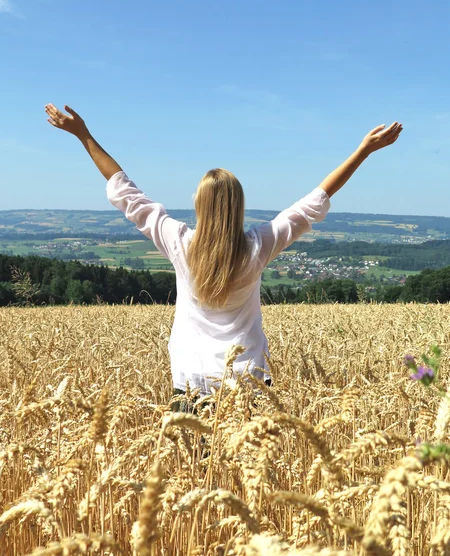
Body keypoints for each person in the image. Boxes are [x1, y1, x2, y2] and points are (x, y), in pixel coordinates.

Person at [44, 103, 402, 395]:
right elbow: (314, 202)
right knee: (249, 479)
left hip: (189, 376)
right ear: (239, 206)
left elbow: (126, 192)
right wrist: (363, 151)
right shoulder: (259, 246)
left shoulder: (178, 242)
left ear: (199, 204)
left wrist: (84, 136)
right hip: (247, 379)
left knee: (193, 474)